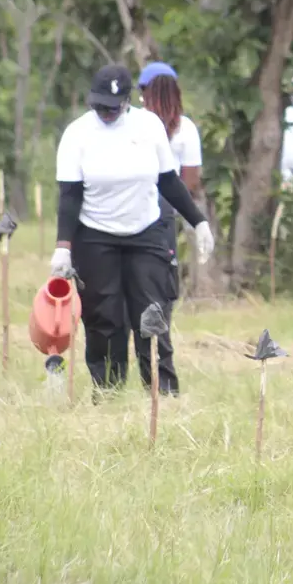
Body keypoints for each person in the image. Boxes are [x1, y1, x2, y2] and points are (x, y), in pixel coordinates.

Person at [50, 65, 214, 391]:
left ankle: (161, 390)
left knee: (152, 312)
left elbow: (169, 181)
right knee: (104, 318)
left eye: (113, 107)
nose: (106, 113)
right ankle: (107, 391)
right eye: (99, 106)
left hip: (146, 230)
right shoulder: (77, 134)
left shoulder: (149, 126)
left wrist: (199, 222)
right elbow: (70, 197)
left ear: (127, 101)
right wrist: (63, 247)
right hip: (95, 233)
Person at [135, 61, 203, 394]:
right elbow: (189, 183)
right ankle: (163, 378)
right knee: (161, 294)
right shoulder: (186, 129)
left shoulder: (132, 125)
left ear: (145, 93)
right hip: (163, 221)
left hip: (127, 214)